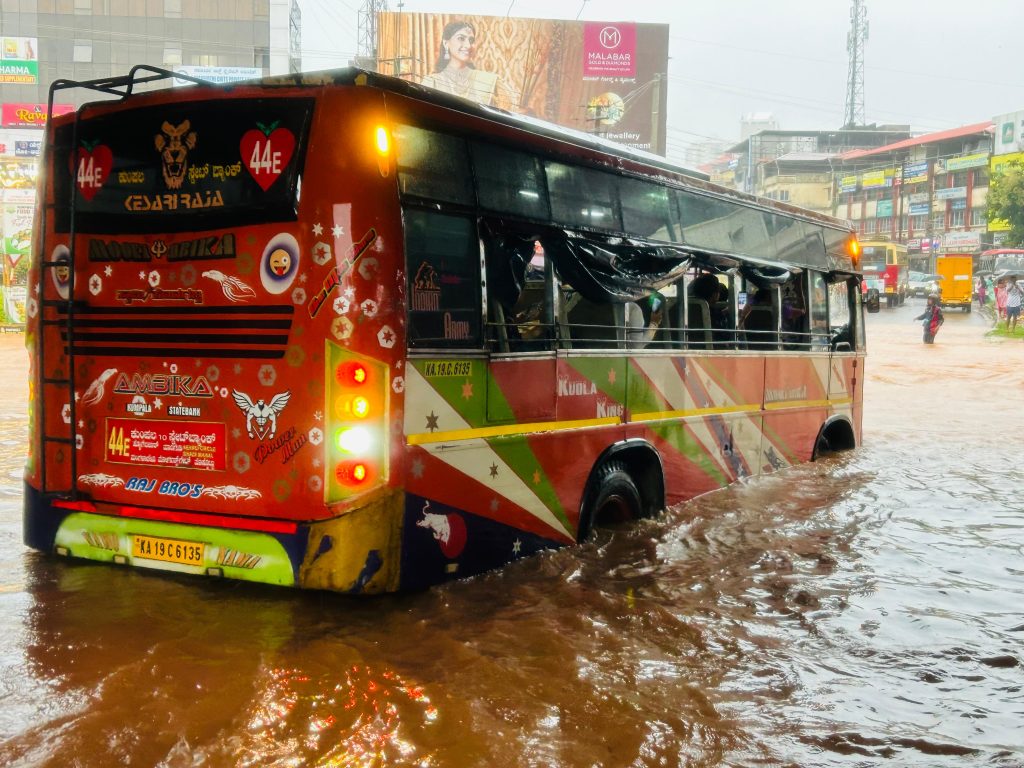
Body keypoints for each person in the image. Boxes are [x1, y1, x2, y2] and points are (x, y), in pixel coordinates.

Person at [419, 21, 520, 110]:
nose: (468, 45)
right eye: (461, 38)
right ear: (446, 43)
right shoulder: (432, 83)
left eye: (471, 40)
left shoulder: (490, 81)